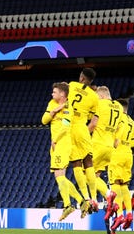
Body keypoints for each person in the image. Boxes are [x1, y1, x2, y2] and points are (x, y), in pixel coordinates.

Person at [41, 82, 85, 221]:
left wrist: (55, 140)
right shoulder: (52, 104)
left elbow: (66, 127)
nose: (52, 94)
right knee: (59, 176)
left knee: (60, 175)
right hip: (56, 144)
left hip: (62, 143)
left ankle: (68, 205)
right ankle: (81, 201)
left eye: (54, 92)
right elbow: (44, 120)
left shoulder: (68, 109)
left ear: (62, 94)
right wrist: (53, 112)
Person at [68, 68, 99, 217]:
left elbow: (62, 89)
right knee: (89, 162)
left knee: (76, 163)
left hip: (68, 127)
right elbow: (93, 119)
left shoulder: (72, 85)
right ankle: (94, 198)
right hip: (81, 127)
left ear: (81, 77)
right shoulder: (94, 97)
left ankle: (85, 197)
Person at [107, 99, 134, 234]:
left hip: (117, 152)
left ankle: (119, 214)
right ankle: (129, 213)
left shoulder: (118, 118)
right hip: (128, 154)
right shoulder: (132, 122)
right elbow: (133, 143)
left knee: (115, 184)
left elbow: (114, 138)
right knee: (124, 185)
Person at [91, 86, 123, 204]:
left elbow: (93, 124)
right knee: (95, 176)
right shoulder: (119, 107)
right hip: (110, 147)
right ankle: (104, 200)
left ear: (102, 96)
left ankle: (107, 194)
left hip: (98, 144)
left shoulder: (101, 104)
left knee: (86, 174)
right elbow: (120, 127)